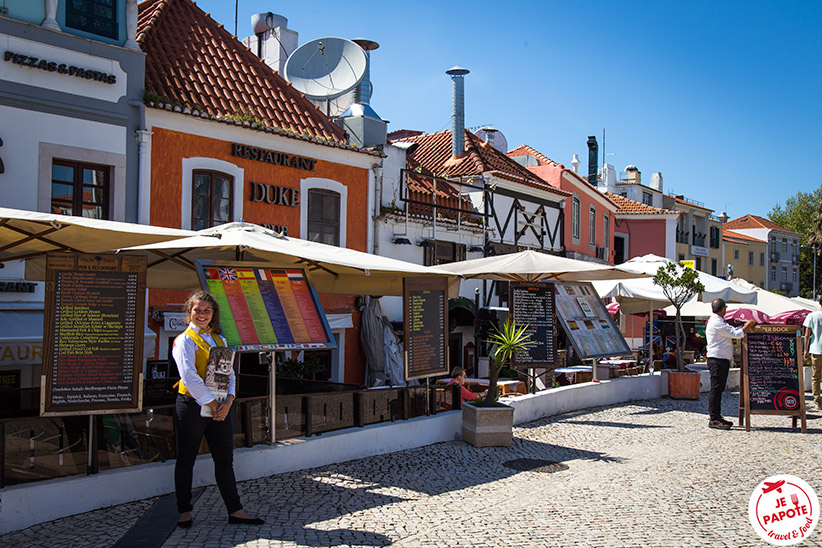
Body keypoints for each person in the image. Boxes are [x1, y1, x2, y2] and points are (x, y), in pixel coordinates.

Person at [172, 291, 263, 529]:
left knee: (225, 460)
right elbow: (189, 376)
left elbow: (229, 373)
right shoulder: (184, 340)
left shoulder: (219, 340)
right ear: (189, 312)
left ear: (213, 314)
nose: (201, 314)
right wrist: (212, 404)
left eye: (206, 311)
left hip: (221, 406)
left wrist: (230, 400)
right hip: (192, 406)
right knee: (186, 459)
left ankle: (236, 509)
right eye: (197, 310)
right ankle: (184, 511)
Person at [705, 298, 756, 430]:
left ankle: (717, 416)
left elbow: (733, 331)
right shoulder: (717, 322)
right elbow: (736, 334)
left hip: (720, 359)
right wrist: (749, 324)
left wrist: (743, 327)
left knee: (719, 389)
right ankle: (714, 418)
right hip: (717, 359)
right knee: (716, 389)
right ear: (723, 309)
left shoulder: (719, 322)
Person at [802, 295, 822, 410]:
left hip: (816, 349)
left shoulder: (812, 316)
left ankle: (817, 400)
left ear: (819, 302)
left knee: (816, 377)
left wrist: (805, 350)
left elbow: (807, 335)